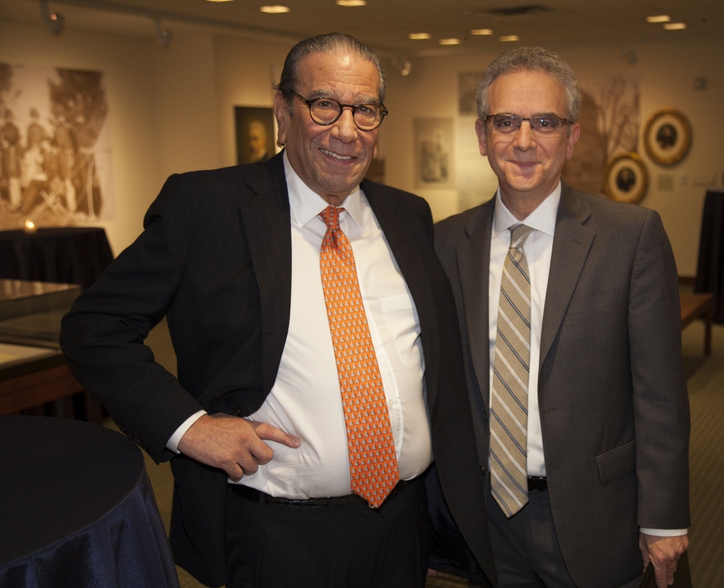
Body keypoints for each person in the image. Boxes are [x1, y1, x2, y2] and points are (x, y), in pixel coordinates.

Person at [61, 32, 495, 588]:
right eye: (324, 105)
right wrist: (189, 427)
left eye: (364, 110)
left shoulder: (407, 215)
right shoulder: (207, 208)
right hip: (275, 536)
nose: (346, 129)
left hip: (403, 530)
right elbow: (94, 329)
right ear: (283, 112)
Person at [434, 47, 691, 588]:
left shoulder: (631, 237)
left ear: (571, 138)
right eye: (506, 122)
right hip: (485, 520)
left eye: (544, 123)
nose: (524, 141)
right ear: (482, 137)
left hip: (595, 514)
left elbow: (660, 393)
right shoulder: (444, 242)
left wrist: (663, 516)